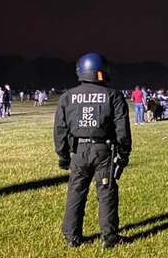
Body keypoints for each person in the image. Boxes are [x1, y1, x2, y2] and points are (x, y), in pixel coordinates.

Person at [53, 53, 132, 249]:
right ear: (103, 70)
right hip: (104, 150)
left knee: (76, 192)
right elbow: (122, 129)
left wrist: (63, 156)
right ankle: (109, 237)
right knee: (106, 193)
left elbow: (60, 130)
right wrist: (124, 152)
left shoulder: (67, 97)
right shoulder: (113, 96)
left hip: (79, 152)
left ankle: (72, 237)